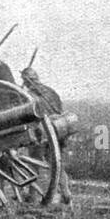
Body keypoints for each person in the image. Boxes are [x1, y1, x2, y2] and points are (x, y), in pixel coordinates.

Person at [20, 67, 72, 204]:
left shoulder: (27, 96)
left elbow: (27, 119)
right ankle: (66, 194)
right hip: (59, 131)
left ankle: (33, 198)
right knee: (57, 165)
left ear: (26, 81)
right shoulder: (51, 92)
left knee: (34, 166)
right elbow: (60, 111)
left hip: (41, 135)